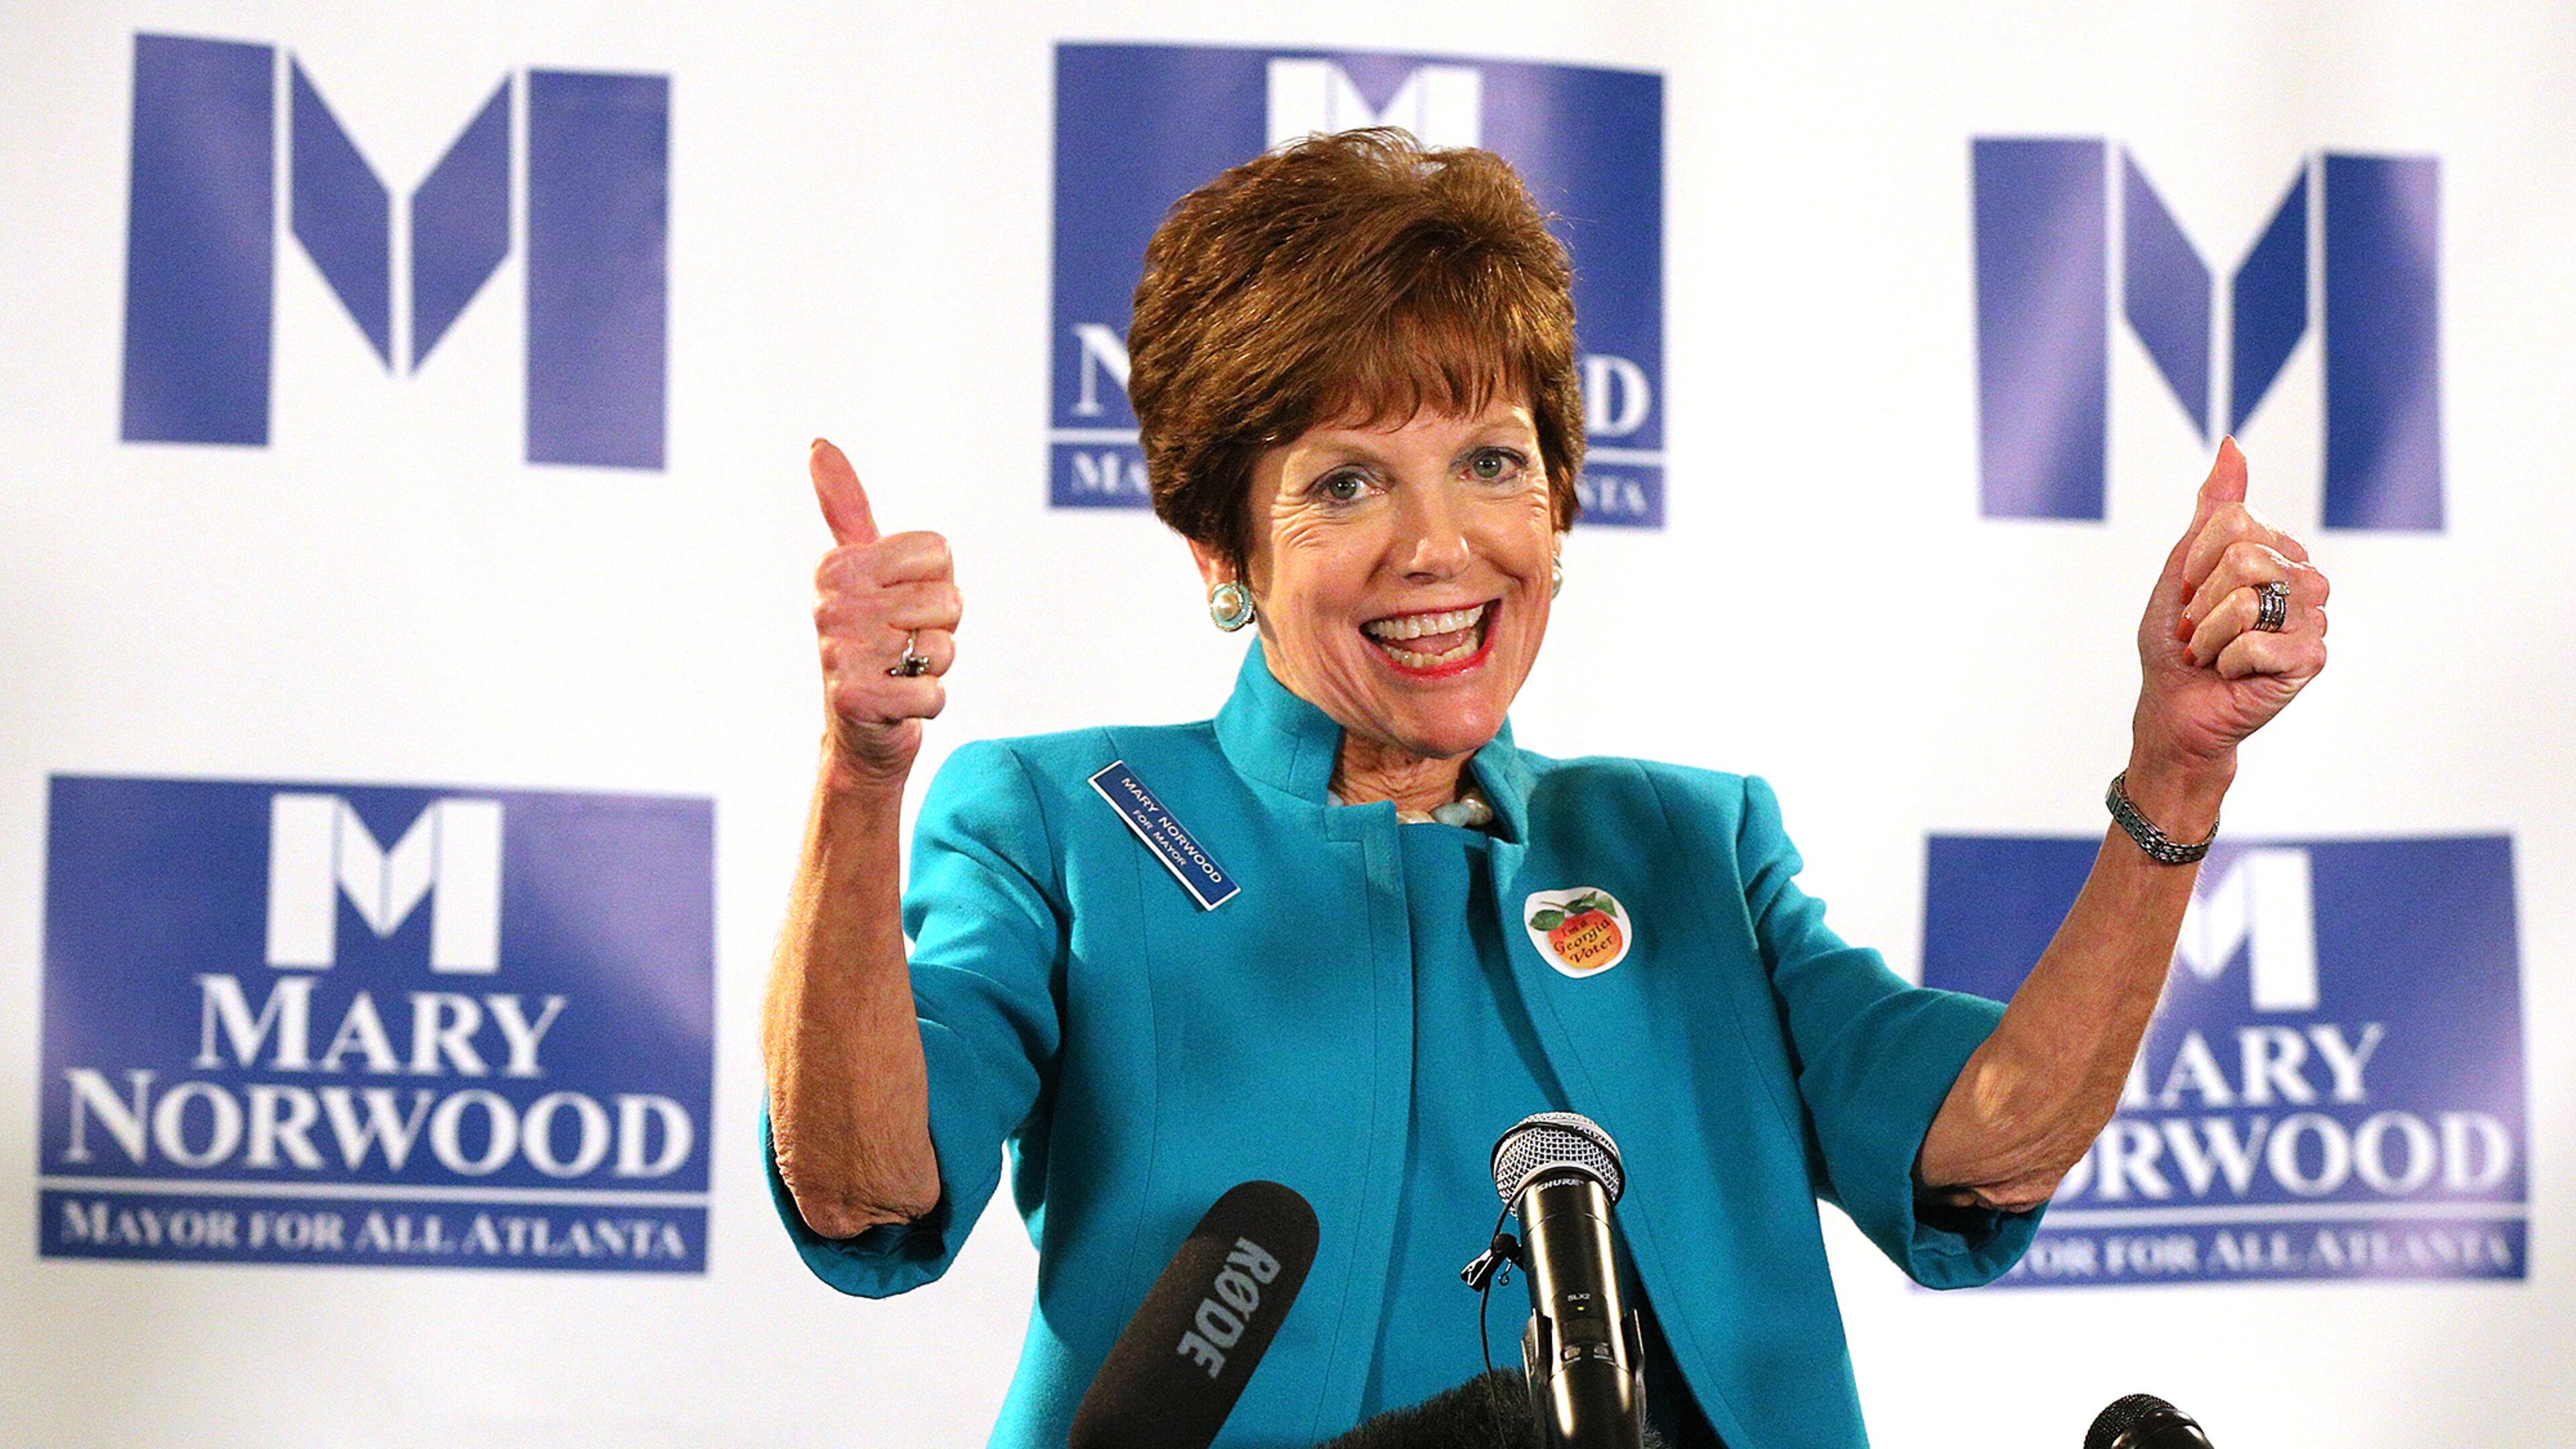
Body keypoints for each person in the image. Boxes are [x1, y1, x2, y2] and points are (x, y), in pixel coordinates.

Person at [760, 129, 2328, 1449]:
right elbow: (863, 1184)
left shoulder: (1692, 844)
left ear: (1563, 499)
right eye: (1347, 482)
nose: (1439, 547)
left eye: (1493, 462)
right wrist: (864, 773)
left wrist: (2179, 768)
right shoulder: (1067, 819)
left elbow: (1988, 1143)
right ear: (1221, 548)